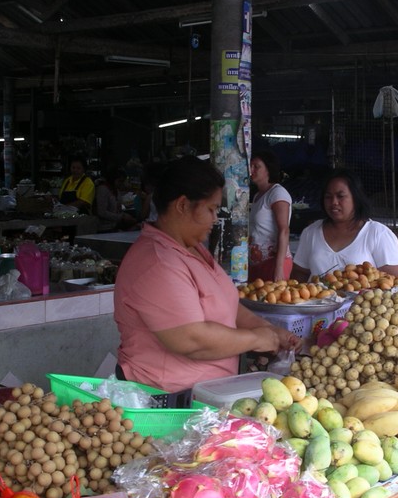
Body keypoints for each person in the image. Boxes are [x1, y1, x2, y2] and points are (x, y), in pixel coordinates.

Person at [114, 156, 301, 392]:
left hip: (206, 393)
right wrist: (256, 339)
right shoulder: (158, 262)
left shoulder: (193, 248)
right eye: (211, 209)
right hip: (165, 398)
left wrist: (271, 331)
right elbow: (192, 339)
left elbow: (228, 306)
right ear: (182, 205)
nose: (215, 219)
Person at [291, 169, 398, 281]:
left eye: (340, 196)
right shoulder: (311, 232)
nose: (334, 202)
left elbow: (394, 283)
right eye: (328, 197)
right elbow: (299, 273)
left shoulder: (378, 234)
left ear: (356, 198)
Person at [248, 150, 293, 281]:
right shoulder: (257, 196)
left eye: (256, 166)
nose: (251, 170)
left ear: (268, 169)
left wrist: (279, 269)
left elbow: (284, 230)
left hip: (273, 263)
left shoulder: (277, 193)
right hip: (257, 263)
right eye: (251, 166)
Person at [96, 166, 138, 232]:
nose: (121, 184)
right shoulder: (103, 189)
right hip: (105, 228)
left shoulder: (116, 190)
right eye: (120, 181)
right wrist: (121, 217)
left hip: (115, 225)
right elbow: (102, 212)